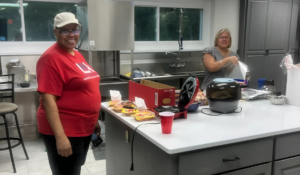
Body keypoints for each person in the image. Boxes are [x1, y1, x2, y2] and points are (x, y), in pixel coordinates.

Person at [36, 12, 101, 175]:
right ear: (55, 32)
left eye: (75, 29)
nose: (71, 34)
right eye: (65, 31)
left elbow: (85, 88)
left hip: (82, 127)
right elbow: (48, 99)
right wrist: (60, 137)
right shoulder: (51, 58)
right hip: (66, 130)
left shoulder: (75, 54)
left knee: (74, 168)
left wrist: (94, 120)